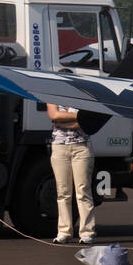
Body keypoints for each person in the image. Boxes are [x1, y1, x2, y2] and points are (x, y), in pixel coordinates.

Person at [47, 101, 97, 244]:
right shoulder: (52, 96)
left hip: (81, 147)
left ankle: (87, 232)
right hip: (59, 147)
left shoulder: (82, 98)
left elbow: (85, 123)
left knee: (83, 190)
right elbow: (54, 115)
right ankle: (64, 231)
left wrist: (63, 120)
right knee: (63, 192)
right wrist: (77, 117)